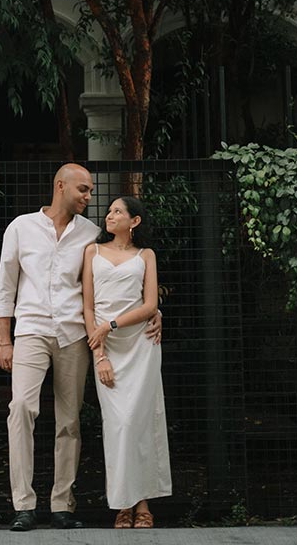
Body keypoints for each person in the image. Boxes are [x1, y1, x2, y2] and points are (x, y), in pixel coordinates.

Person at [0, 164, 162, 531]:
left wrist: (155, 310)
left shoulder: (90, 234)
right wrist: (4, 339)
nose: (89, 196)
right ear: (61, 186)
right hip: (31, 330)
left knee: (69, 421)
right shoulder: (21, 227)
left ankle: (61, 506)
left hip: (73, 334)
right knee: (20, 408)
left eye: (90, 191)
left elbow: (115, 277)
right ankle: (23, 505)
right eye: (83, 189)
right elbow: (6, 285)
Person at [82, 195, 172, 528]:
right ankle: (122, 502)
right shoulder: (92, 251)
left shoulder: (145, 255)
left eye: (117, 211)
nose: (109, 215)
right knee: (118, 424)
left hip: (141, 344)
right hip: (106, 348)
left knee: (140, 421)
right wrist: (100, 354)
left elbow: (149, 305)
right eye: (109, 211)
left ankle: (143, 502)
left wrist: (112, 324)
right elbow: (87, 306)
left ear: (134, 221)